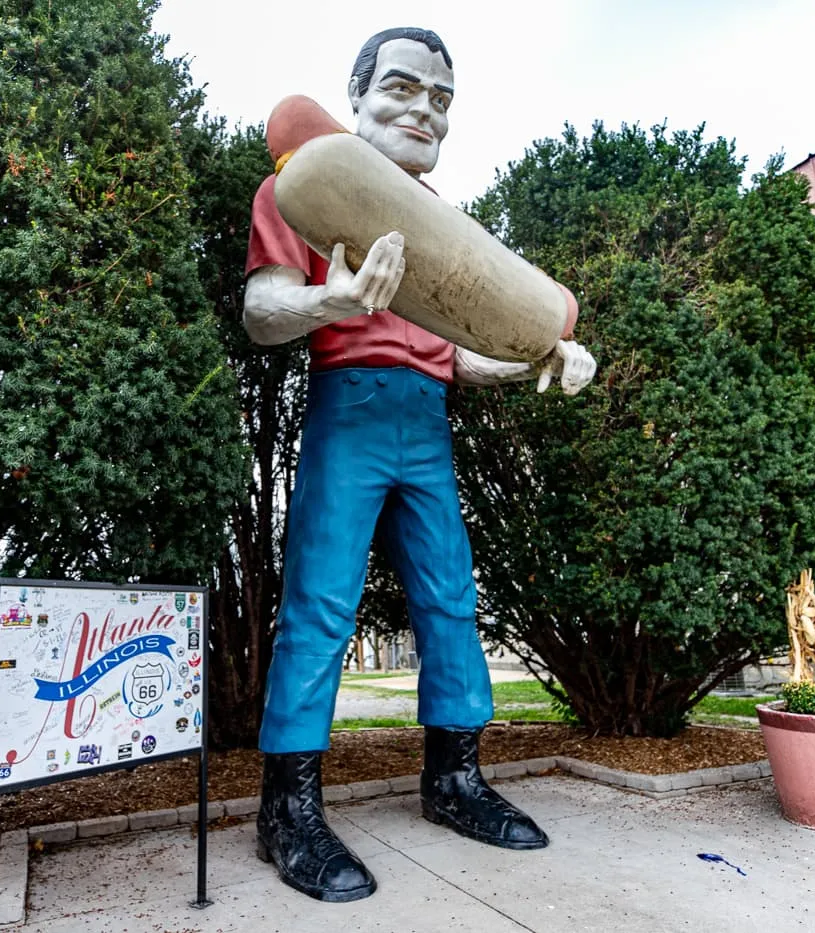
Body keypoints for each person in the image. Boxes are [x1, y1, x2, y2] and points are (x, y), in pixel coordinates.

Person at [243, 26, 596, 903]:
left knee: (450, 601)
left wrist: (545, 357)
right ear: (357, 97)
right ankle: (286, 808)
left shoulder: (444, 231)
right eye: (401, 88)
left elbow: (462, 358)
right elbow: (261, 311)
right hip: (349, 408)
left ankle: (455, 779)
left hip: (426, 421)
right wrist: (333, 296)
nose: (422, 110)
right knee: (322, 604)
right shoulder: (309, 189)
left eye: (440, 99)